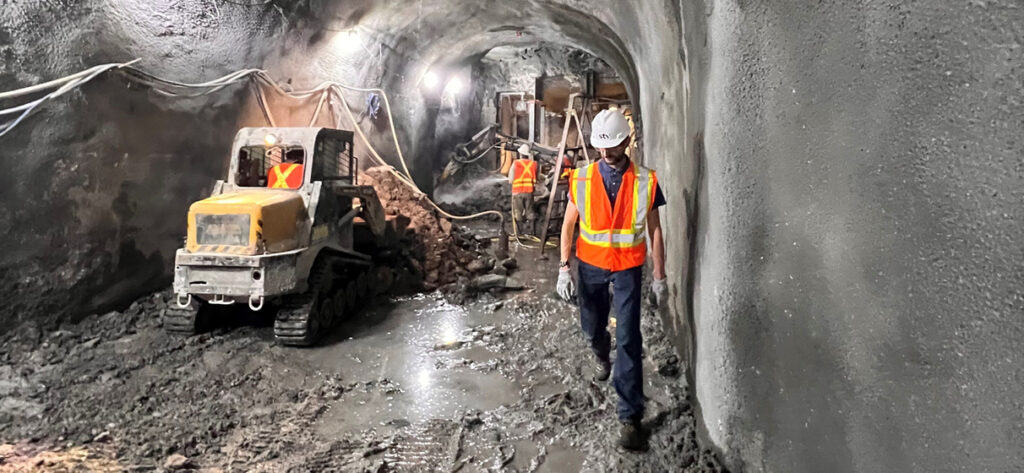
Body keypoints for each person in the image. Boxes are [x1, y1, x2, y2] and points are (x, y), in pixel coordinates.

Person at [555, 109, 668, 451]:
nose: (606, 154)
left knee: (629, 337)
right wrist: (563, 268)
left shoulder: (646, 181)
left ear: (627, 142)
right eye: (601, 148)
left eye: (613, 147)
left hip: (629, 267)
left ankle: (629, 416)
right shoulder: (583, 178)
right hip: (590, 265)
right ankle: (600, 353)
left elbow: (655, 230)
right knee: (592, 326)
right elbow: (568, 224)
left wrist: (659, 276)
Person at [509, 143, 539, 235]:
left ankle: (518, 234)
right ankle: (532, 233)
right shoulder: (534, 164)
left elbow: (510, 180)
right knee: (530, 212)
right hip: (529, 192)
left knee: (518, 212)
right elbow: (537, 178)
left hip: (517, 192)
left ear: (520, 154)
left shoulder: (516, 163)